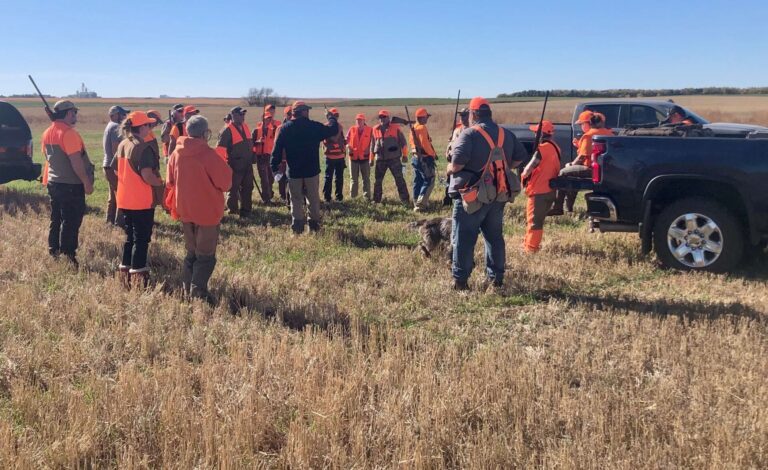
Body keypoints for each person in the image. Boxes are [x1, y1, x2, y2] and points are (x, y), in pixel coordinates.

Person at [447, 97, 526, 291]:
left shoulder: (469, 134)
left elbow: (457, 164)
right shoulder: (505, 134)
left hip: (472, 198)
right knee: (494, 237)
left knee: (464, 238)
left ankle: (461, 281)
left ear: (473, 114)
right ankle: (496, 279)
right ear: (489, 113)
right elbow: (519, 159)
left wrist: (449, 168)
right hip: (498, 194)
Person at [167, 115, 232, 302]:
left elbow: (170, 182)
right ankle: (198, 292)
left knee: (191, 253)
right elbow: (226, 183)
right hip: (207, 213)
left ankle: (186, 288)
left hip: (184, 211)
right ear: (205, 133)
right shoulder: (208, 154)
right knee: (205, 257)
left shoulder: (175, 154)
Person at [111, 112, 164, 287]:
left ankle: (124, 271)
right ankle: (138, 275)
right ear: (141, 127)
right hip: (141, 201)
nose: (150, 128)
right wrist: (161, 183)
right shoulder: (143, 147)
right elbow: (147, 175)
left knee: (130, 237)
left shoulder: (123, 144)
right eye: (148, 125)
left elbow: (116, 170)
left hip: (125, 199)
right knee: (141, 239)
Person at [270, 101, 339, 234]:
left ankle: (297, 229)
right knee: (313, 200)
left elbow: (276, 150)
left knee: (295, 201)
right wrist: (330, 117)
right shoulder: (313, 126)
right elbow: (333, 129)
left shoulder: (285, 128)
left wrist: (274, 167)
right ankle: (313, 228)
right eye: (307, 110)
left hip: (294, 172)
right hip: (311, 171)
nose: (308, 112)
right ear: (303, 112)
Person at [41, 100, 95, 268]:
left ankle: (54, 249)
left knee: (56, 218)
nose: (75, 115)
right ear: (67, 113)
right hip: (70, 184)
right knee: (71, 220)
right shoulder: (68, 133)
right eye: (74, 112)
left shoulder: (48, 132)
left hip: (54, 182)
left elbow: (47, 156)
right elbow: (76, 162)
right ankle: (68, 255)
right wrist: (86, 181)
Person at [549, 111, 613, 215]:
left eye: (582, 124)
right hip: (605, 170)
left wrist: (571, 164)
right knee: (573, 173)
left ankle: (558, 207)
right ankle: (567, 208)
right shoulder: (609, 133)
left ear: (589, 123)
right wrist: (579, 145)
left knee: (564, 173)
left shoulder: (589, 136)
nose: (581, 127)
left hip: (591, 170)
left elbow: (582, 158)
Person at [520, 120, 561, 253]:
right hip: (550, 191)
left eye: (536, 133)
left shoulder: (542, 149)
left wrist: (523, 178)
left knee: (534, 222)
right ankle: (528, 243)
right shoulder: (556, 147)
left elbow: (528, 170)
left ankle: (530, 249)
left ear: (541, 134)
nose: (534, 135)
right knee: (538, 220)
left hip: (538, 191)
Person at [215, 106, 254, 216]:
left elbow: (249, 143)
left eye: (243, 114)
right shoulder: (227, 130)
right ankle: (232, 211)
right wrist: (222, 167)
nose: (243, 116)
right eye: (241, 114)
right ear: (233, 115)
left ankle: (246, 211)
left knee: (248, 187)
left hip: (247, 164)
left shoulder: (245, 127)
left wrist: (253, 155)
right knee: (233, 189)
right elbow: (220, 151)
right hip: (234, 165)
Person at [371, 110, 409, 204]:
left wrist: (405, 155)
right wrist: (371, 159)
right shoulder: (375, 129)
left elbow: (403, 143)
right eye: (380, 117)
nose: (382, 119)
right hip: (380, 159)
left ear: (388, 118)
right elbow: (372, 145)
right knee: (378, 181)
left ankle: (405, 200)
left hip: (394, 159)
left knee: (399, 179)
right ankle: (376, 200)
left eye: (384, 117)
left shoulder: (396, 128)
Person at [102, 105, 129, 225]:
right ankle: (119, 222)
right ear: (114, 115)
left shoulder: (109, 125)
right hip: (113, 166)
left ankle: (109, 221)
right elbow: (115, 150)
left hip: (108, 165)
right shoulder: (115, 127)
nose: (124, 117)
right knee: (121, 195)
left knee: (113, 196)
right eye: (122, 114)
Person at [409, 107, 437, 211]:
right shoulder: (421, 128)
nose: (427, 119)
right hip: (424, 158)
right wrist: (432, 155)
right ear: (421, 118)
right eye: (426, 117)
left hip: (415, 158)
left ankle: (416, 200)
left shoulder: (413, 128)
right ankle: (421, 204)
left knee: (418, 180)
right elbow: (425, 145)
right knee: (429, 180)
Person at [252, 110, 280, 203]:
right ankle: (266, 199)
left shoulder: (273, 130)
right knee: (264, 180)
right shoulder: (256, 131)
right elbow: (250, 144)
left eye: (270, 118)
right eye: (267, 118)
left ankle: (269, 195)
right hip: (261, 158)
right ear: (263, 119)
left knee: (271, 178)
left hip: (270, 157)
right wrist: (258, 142)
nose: (269, 120)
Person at [346, 113, 373, 199]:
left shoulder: (370, 130)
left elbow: (373, 142)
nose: (359, 121)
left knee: (366, 179)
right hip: (353, 158)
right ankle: (353, 197)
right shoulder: (352, 129)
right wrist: (347, 146)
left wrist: (370, 149)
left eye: (361, 120)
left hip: (365, 158)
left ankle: (367, 197)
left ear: (364, 121)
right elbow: (346, 140)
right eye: (357, 120)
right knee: (353, 179)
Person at [322, 107, 346, 202]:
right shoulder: (327, 126)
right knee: (329, 177)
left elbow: (342, 140)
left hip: (340, 156)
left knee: (339, 178)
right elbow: (334, 139)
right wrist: (339, 130)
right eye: (334, 115)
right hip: (330, 157)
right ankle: (327, 198)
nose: (336, 117)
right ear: (330, 116)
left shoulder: (339, 126)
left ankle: (339, 197)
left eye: (337, 115)